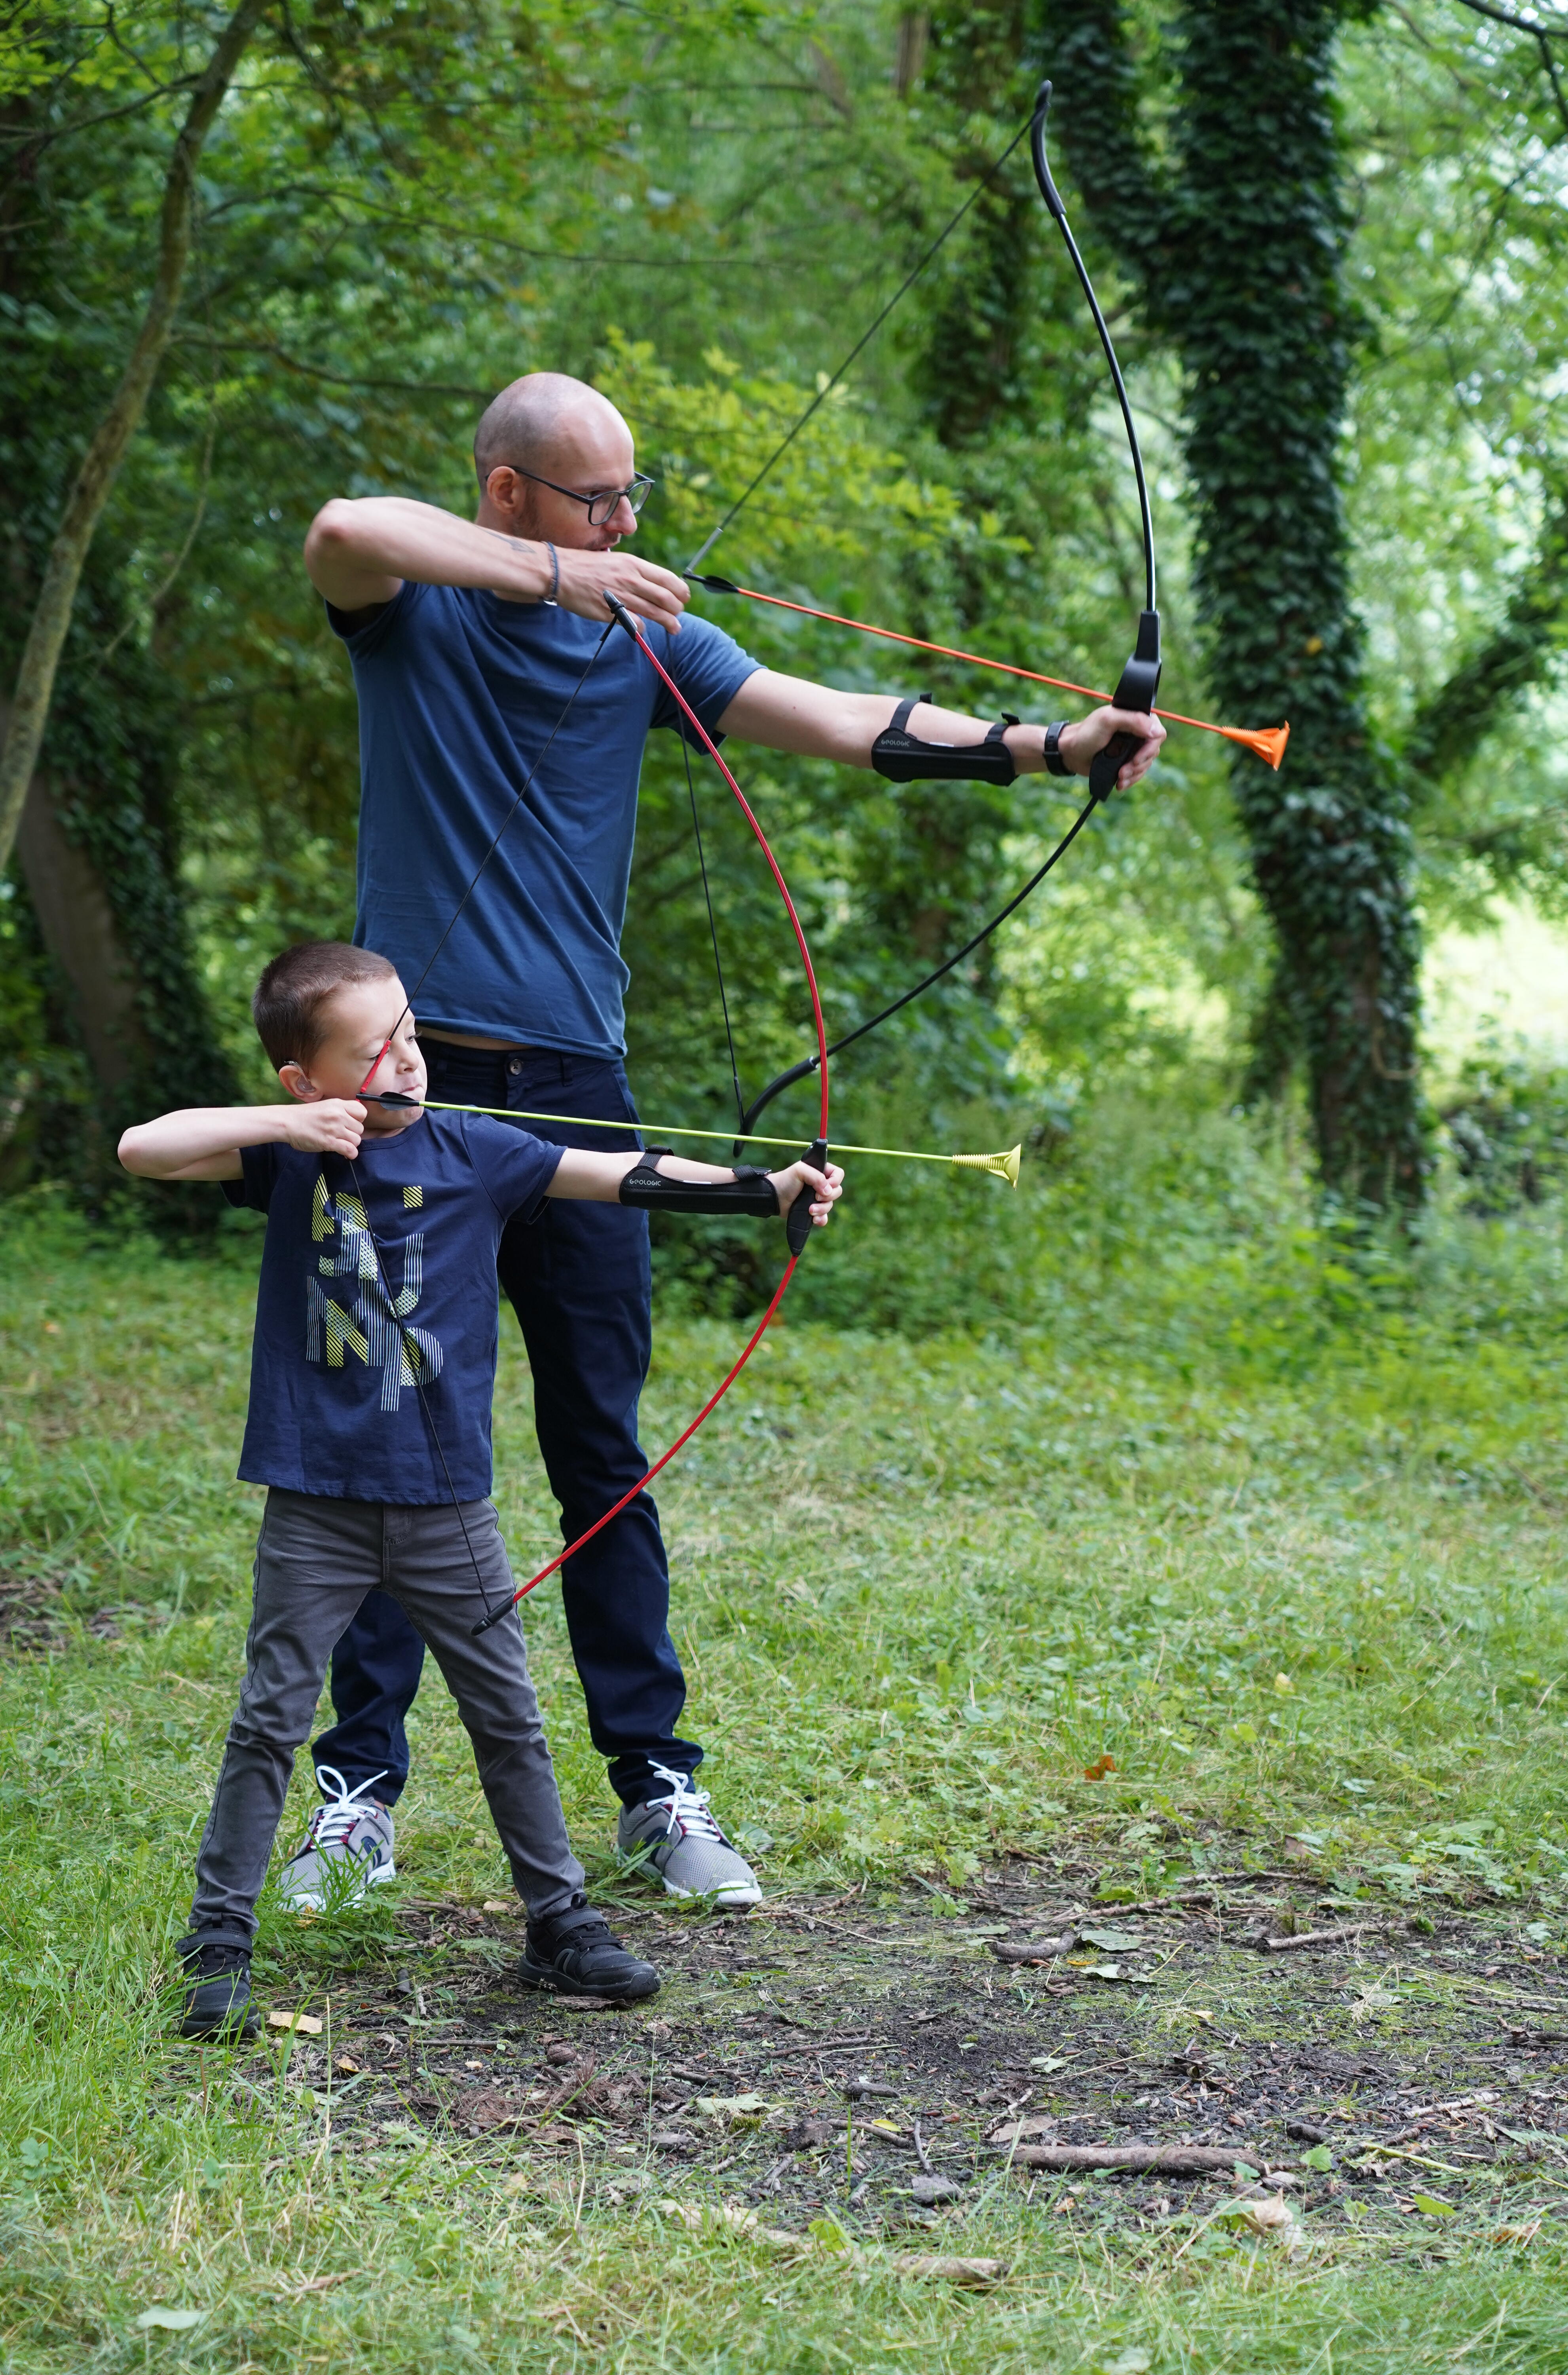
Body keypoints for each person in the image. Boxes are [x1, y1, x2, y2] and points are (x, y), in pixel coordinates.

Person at [296, 370, 1165, 1913]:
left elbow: (842, 720)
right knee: (391, 1450)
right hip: (402, 1096)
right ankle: (355, 1798)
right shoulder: (413, 612)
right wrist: (561, 575)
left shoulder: (646, 648)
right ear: (508, 494)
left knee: (600, 1449)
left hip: (578, 1077)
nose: (629, 525)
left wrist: (1047, 746)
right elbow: (345, 526)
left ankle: (657, 1787)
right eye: (595, 501)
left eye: (632, 496)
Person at [118, 939, 841, 2037]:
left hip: (446, 1501)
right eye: (372, 1053)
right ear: (305, 1083)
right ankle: (218, 1942)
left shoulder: (478, 1149)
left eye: (409, 1033)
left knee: (507, 1716)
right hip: (314, 1501)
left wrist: (765, 1188)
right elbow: (142, 1148)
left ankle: (559, 1923)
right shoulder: (290, 1156)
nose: (406, 1061)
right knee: (271, 1718)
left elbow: (621, 1173)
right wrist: (286, 1131)